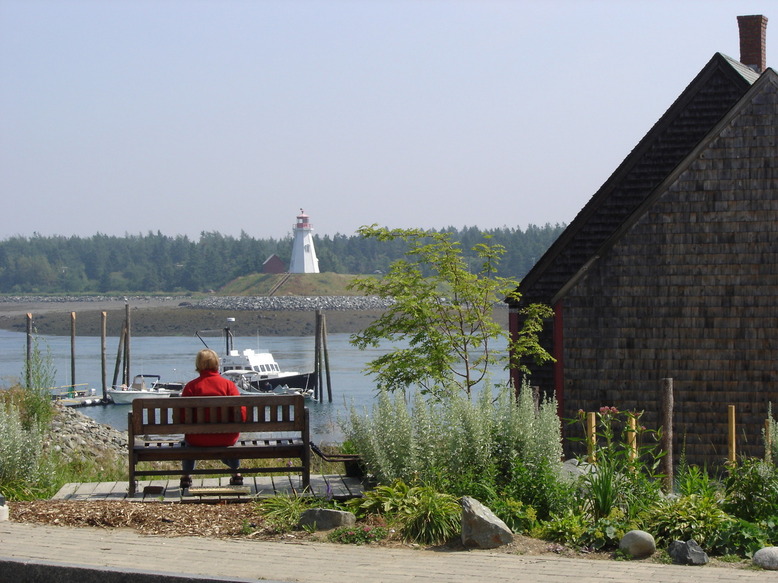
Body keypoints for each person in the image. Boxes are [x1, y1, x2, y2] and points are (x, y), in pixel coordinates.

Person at [179, 348, 245, 489]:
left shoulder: (191, 387)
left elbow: (182, 417)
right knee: (230, 440)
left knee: (186, 442)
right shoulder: (229, 385)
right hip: (226, 438)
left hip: (197, 439)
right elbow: (241, 414)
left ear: (198, 364)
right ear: (217, 364)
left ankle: (186, 477)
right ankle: (236, 474)